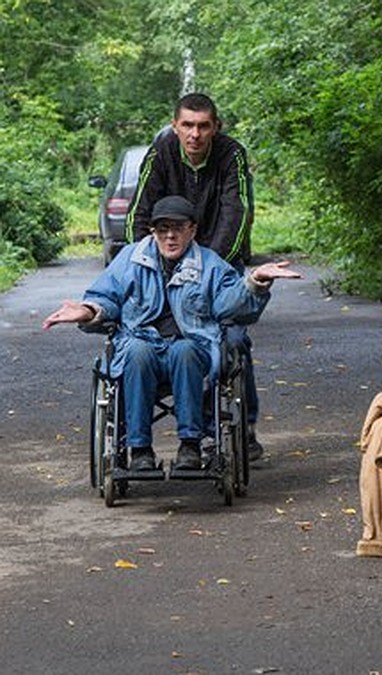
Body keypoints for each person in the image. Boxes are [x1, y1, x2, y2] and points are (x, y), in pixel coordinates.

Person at [44, 197, 300, 472]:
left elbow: (230, 303)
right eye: (163, 228)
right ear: (152, 231)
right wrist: (88, 311)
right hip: (141, 346)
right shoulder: (130, 259)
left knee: (184, 350)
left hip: (192, 350)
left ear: (192, 230)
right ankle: (139, 448)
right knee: (136, 351)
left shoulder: (210, 265)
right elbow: (105, 297)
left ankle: (190, 445)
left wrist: (254, 282)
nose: (170, 235)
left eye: (178, 228)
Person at [125, 93, 267, 459]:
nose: (195, 134)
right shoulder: (161, 153)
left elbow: (236, 214)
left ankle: (237, 426)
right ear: (175, 126)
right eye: (187, 125)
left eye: (203, 126)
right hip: (164, 253)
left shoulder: (231, 155)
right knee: (137, 335)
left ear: (215, 128)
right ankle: (136, 432)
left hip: (217, 260)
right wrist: (148, 258)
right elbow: (139, 214)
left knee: (233, 338)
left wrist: (203, 265)